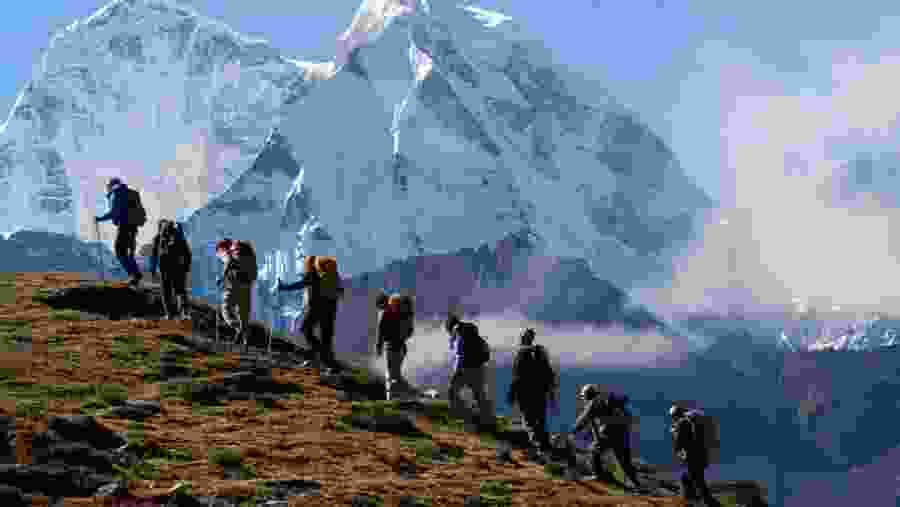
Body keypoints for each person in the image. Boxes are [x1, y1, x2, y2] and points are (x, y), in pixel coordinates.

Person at [277, 255, 345, 372]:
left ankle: (318, 353)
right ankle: (330, 364)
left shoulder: (312, 275)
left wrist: (283, 287)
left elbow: (299, 285)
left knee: (305, 329)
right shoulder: (332, 276)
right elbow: (340, 291)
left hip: (316, 308)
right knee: (326, 337)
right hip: (331, 308)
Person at [571, 384, 643, 490]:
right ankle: (637, 484)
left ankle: (599, 475)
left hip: (610, 432)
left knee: (593, 451)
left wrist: (573, 431)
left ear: (587, 395)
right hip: (623, 431)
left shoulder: (593, 403)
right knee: (624, 459)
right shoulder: (604, 399)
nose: (583, 399)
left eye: (583, 396)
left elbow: (583, 420)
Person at [507, 328, 557, 457]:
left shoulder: (521, 353)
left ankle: (537, 448)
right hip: (540, 392)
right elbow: (549, 374)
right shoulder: (540, 352)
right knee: (540, 420)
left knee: (529, 420)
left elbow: (517, 376)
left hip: (525, 394)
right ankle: (545, 446)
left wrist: (512, 394)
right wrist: (551, 394)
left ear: (524, 339)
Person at [95, 177, 146, 286]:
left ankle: (135, 275)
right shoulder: (132, 193)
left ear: (112, 186)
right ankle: (135, 276)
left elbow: (114, 212)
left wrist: (100, 219)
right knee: (129, 252)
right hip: (133, 227)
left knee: (120, 251)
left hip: (124, 226)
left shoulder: (117, 194)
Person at [445, 314, 494, 429]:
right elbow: (485, 348)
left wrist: (456, 372)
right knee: (479, 395)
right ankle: (488, 420)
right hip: (479, 367)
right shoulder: (471, 329)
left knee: (452, 391)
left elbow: (459, 354)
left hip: (465, 368)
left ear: (449, 327)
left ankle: (467, 416)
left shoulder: (457, 331)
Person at [670, 403, 721, 507]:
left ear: (675, 414)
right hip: (702, 454)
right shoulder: (692, 421)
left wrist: (679, 450)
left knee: (697, 482)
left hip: (692, 456)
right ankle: (692, 500)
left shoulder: (682, 423)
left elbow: (679, 442)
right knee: (690, 479)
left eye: (673, 416)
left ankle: (709, 503)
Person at [148, 219, 192, 320]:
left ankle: (170, 314)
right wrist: (186, 267)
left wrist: (153, 269)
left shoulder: (158, 238)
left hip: (165, 268)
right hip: (179, 267)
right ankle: (184, 313)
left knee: (166, 291)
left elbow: (154, 255)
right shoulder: (179, 236)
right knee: (180, 290)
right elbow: (187, 253)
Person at [215, 239, 256, 345]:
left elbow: (229, 262)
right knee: (243, 314)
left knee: (226, 309)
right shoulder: (246, 253)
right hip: (247, 285)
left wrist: (222, 278)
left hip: (234, 285)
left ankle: (238, 328)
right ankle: (246, 340)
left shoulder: (226, 252)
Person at [375, 292, 415, 400]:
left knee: (391, 375)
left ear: (381, 304)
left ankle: (391, 398)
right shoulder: (400, 313)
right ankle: (406, 395)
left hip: (392, 346)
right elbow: (409, 331)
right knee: (396, 374)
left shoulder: (385, 313)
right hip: (402, 346)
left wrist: (378, 346)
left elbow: (381, 331)